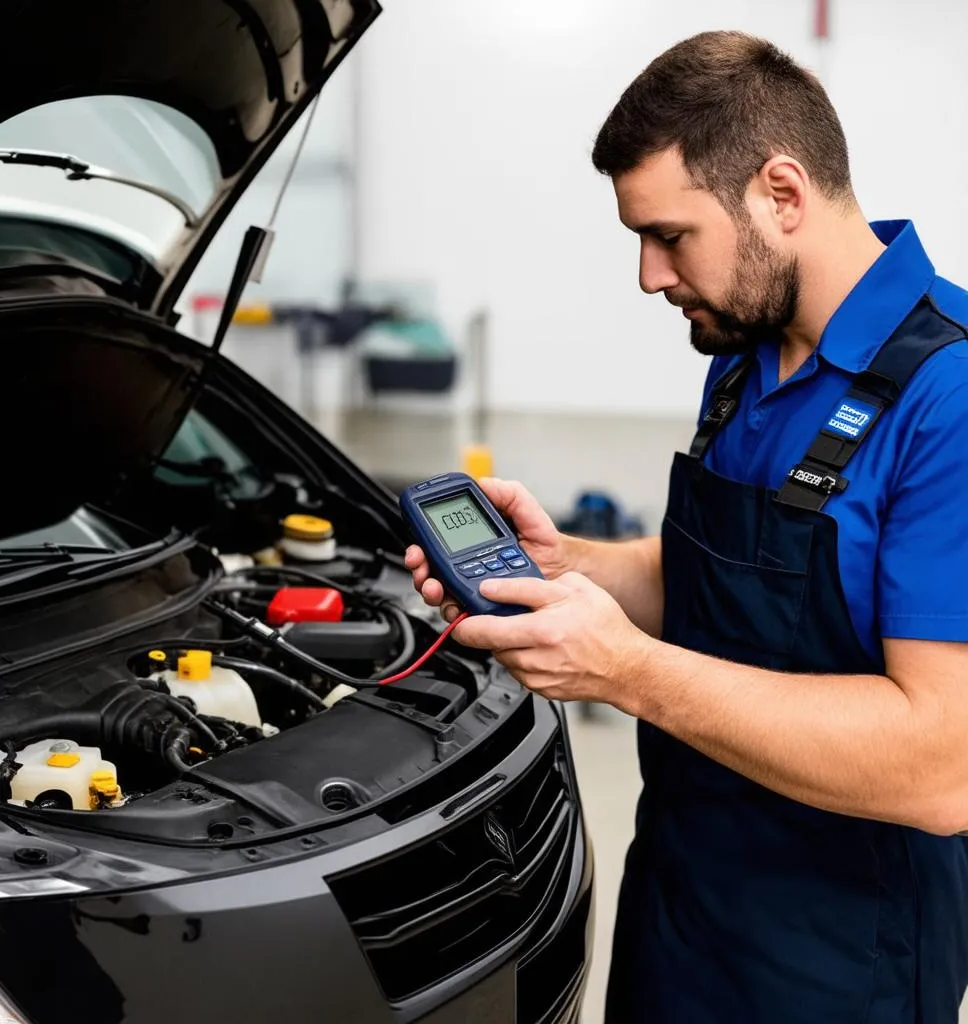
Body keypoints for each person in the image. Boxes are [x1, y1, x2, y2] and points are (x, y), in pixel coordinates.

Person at [405, 29, 968, 1024]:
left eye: (669, 235)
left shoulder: (947, 397)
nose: (648, 276)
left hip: (837, 963)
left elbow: (941, 764)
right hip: (678, 907)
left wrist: (623, 672)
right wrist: (567, 564)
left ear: (780, 195)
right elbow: (727, 580)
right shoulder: (745, 351)